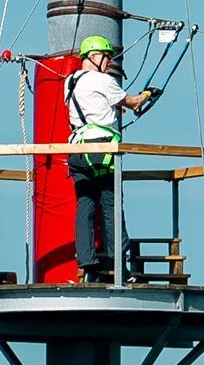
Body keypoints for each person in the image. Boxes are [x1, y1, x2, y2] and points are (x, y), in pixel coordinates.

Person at [65, 34, 161, 282]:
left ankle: (88, 265)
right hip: (102, 150)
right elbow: (132, 102)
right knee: (111, 205)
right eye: (107, 57)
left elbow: (94, 106)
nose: (109, 63)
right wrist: (148, 94)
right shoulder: (103, 80)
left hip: (77, 149)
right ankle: (121, 267)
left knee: (85, 205)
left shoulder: (71, 81)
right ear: (94, 57)